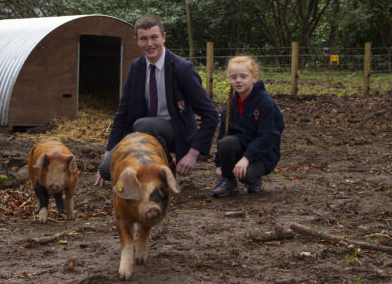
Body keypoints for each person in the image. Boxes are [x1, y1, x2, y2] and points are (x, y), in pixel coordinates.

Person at [95, 14, 219, 186]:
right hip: (144, 133)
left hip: (177, 133)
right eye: (144, 39)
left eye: (154, 37)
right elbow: (122, 112)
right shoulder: (137, 67)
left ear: (164, 37)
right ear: (136, 40)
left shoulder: (182, 69)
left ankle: (167, 169)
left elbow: (211, 114)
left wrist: (193, 153)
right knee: (107, 170)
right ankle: (150, 172)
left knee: (144, 125)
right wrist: (109, 150)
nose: (150, 44)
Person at [211, 56, 285, 197]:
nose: (238, 80)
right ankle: (229, 180)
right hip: (241, 149)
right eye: (234, 77)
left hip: (264, 154)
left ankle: (254, 180)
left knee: (245, 174)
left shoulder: (264, 102)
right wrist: (219, 165)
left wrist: (247, 158)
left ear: (254, 78)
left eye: (243, 76)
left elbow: (268, 136)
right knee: (225, 143)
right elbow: (223, 133)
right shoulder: (230, 103)